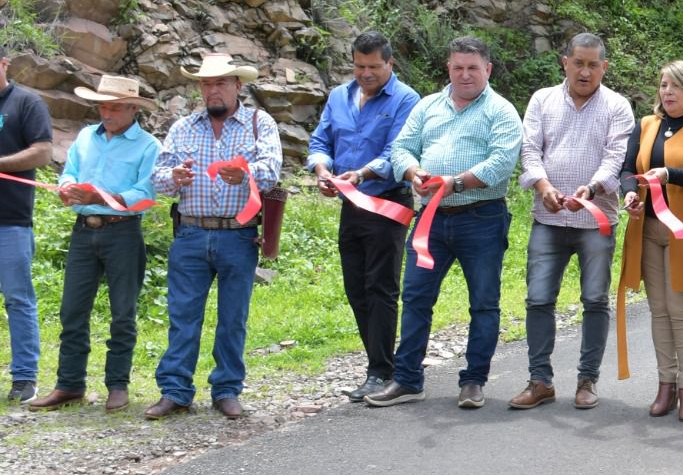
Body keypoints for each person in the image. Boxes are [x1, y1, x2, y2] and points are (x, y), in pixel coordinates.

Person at [366, 36, 522, 410]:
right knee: (417, 296)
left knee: (483, 302)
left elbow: (502, 163)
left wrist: (456, 182)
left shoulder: (501, 111)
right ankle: (407, 380)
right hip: (430, 220)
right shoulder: (427, 106)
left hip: (481, 217)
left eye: (472, 68)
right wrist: (414, 172)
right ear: (448, 69)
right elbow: (401, 148)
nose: (464, 75)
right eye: (457, 67)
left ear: (488, 69)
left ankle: (473, 382)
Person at [146, 53, 283, 420]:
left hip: (238, 235)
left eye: (221, 83)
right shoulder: (183, 127)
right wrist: (174, 177)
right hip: (190, 232)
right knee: (182, 316)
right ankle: (175, 390)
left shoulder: (258, 122)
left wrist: (246, 174)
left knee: (233, 317)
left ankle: (226, 389)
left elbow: (271, 169)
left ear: (238, 85)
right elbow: (157, 179)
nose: (213, 90)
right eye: (207, 84)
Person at [509, 32, 634, 411]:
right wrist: (543, 185)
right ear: (564, 62)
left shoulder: (617, 106)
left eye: (593, 64)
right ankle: (540, 381)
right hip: (547, 218)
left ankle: (587, 380)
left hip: (596, 220)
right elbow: (530, 150)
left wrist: (592, 190)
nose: (584, 71)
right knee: (538, 299)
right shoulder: (542, 100)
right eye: (578, 62)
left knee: (595, 300)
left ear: (604, 67)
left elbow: (616, 158)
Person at [28, 76, 158, 413]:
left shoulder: (148, 146)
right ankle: (69, 385)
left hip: (123, 232)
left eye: (115, 106)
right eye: (103, 105)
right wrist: (68, 189)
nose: (107, 112)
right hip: (83, 231)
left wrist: (101, 196)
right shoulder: (86, 137)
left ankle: (118, 385)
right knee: (72, 310)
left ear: (133, 108)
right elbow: (68, 172)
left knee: (122, 313)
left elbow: (145, 195)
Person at [306, 30, 421, 402]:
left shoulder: (407, 99)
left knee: (382, 287)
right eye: (359, 66)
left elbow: (398, 151)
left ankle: (382, 371)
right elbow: (321, 141)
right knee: (356, 288)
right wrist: (323, 171)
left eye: (374, 66)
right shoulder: (339, 96)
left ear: (390, 63)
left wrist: (361, 174)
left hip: (388, 202)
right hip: (350, 206)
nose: (366, 73)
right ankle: (375, 364)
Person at [616, 60, 683, 422]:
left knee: (682, 311)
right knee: (658, 310)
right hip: (646, 231)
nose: (667, 92)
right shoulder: (646, 125)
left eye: (675, 86)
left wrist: (667, 174)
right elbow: (628, 168)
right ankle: (666, 385)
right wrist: (629, 193)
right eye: (663, 85)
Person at [0, 46, 53, 403]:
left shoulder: (25, 103)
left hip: (11, 222)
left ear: (4, 64)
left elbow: (43, 152)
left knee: (18, 299)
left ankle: (24, 378)